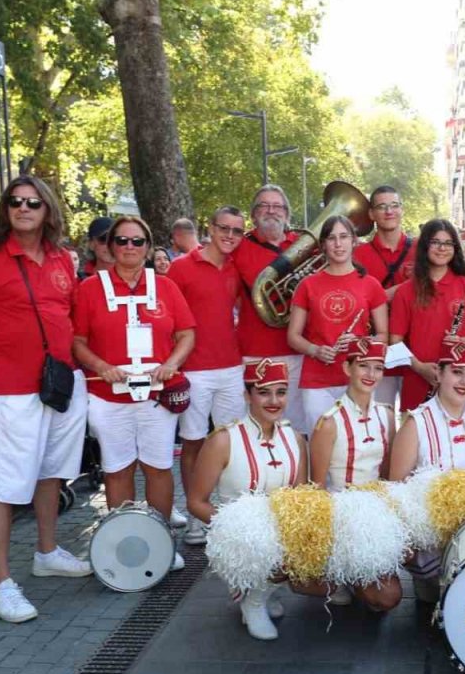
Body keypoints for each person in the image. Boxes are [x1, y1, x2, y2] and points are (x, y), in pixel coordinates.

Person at [0, 176, 93, 626]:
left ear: (47, 210)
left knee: (53, 470)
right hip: (13, 389)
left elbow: (69, 320)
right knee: (3, 485)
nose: (23, 207)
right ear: (5, 209)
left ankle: (47, 551)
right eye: (14, 202)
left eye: (33, 202)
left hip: (62, 383)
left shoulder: (60, 258)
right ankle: (0, 583)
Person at [72, 216, 196, 572]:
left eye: (138, 242)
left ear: (148, 246)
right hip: (109, 397)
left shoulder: (167, 287)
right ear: (110, 246)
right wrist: (100, 366)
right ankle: (122, 545)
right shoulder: (90, 289)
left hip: (156, 396)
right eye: (122, 241)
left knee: (158, 468)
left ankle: (160, 544)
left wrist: (172, 363)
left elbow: (187, 333)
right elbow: (77, 342)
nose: (130, 248)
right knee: (117, 470)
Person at [185, 359, 306, 640]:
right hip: (238, 537)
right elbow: (196, 501)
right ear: (246, 395)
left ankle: (264, 590)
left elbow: (301, 498)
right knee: (268, 548)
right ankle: (251, 600)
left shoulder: (295, 437)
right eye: (264, 392)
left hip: (279, 532)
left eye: (281, 392)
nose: (274, 401)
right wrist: (236, 529)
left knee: (313, 551)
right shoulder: (223, 440)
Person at [390, 340, 465, 601]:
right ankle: (427, 579)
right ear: (438, 374)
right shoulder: (415, 422)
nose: (464, 381)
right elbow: (397, 492)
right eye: (456, 372)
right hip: (431, 534)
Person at [168, 206, 247, 545]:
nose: (230, 236)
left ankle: (232, 511)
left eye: (237, 231)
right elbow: (167, 318)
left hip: (231, 367)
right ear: (210, 228)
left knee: (233, 444)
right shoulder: (180, 268)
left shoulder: (237, 267)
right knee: (193, 444)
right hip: (194, 370)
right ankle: (195, 516)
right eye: (224, 228)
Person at [286, 215, 388, 435]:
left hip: (357, 378)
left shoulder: (371, 285)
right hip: (316, 380)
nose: (338, 244)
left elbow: (383, 335)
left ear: (354, 241)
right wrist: (315, 350)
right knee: (319, 443)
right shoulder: (307, 285)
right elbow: (293, 336)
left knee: (355, 442)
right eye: (332, 238)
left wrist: (361, 343)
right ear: (323, 245)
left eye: (344, 237)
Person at [388, 219, 465, 411]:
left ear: (455, 248)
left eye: (448, 243)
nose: (442, 248)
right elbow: (394, 342)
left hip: (461, 380)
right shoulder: (406, 291)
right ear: (425, 246)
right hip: (418, 381)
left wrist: (462, 341)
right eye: (435, 242)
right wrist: (419, 368)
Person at [231, 186, 307, 432]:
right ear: (253, 214)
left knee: (295, 424)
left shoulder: (304, 244)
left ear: (286, 213)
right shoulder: (239, 247)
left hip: (297, 349)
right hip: (254, 350)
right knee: (256, 423)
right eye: (264, 205)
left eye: (278, 206)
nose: (271, 211)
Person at [353, 186, 415, 406]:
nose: (389, 211)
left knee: (416, 423)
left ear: (401, 209)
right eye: (382, 206)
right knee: (377, 421)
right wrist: (394, 292)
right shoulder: (357, 254)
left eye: (394, 205)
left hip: (415, 348)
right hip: (373, 351)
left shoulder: (422, 249)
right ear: (371, 214)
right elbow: (353, 301)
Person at [309, 338, 396, 491]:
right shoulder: (329, 423)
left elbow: (387, 475)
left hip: (380, 507)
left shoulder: (387, 416)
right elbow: (317, 488)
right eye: (363, 366)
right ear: (347, 368)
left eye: (378, 368)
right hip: (341, 508)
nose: (371, 374)